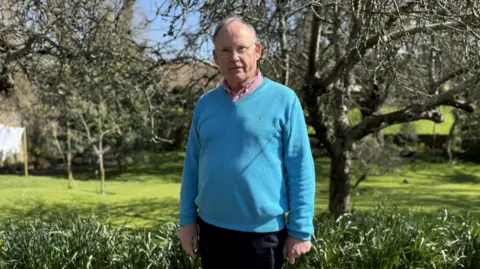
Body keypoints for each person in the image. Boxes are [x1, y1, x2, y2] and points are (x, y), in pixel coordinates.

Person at [179, 16, 316, 269]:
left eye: (241, 48)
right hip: (211, 231)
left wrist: (301, 229)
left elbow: (301, 168)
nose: (234, 57)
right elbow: (192, 166)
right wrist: (186, 221)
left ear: (257, 51)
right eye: (226, 50)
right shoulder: (205, 104)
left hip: (264, 237)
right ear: (215, 57)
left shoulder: (284, 100)